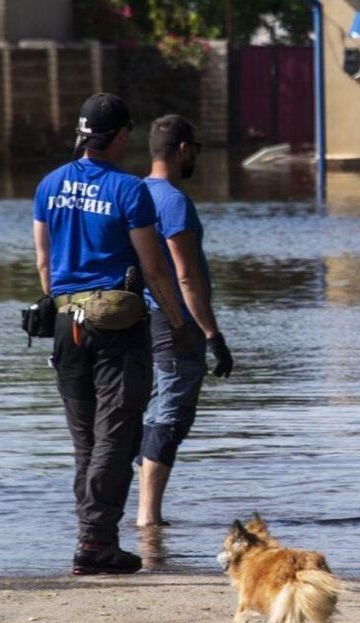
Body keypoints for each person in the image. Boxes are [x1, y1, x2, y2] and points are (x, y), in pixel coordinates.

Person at [32, 93, 188, 574]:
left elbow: (43, 262)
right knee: (116, 438)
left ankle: (91, 538)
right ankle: (96, 543)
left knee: (86, 440)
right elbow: (154, 266)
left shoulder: (49, 184)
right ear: (120, 136)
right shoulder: (128, 190)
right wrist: (177, 323)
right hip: (117, 329)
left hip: (65, 324)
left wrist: (66, 301)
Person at [135, 114, 234, 528]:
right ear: (182, 150)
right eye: (195, 149)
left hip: (143, 321)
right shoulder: (173, 201)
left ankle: (144, 516)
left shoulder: (134, 191)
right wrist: (213, 335)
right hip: (173, 322)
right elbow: (186, 276)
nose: (195, 156)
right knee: (170, 415)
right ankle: (148, 517)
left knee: (154, 410)